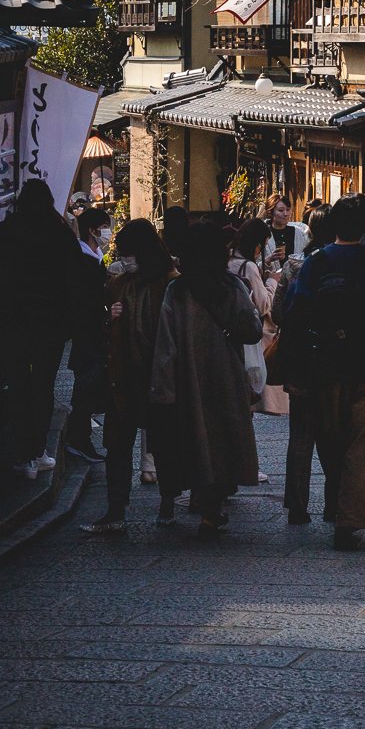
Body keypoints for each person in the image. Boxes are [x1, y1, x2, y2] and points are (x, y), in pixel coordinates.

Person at [282, 194, 365, 552]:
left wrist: (297, 368)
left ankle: (336, 506)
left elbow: (296, 313)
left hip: (326, 366)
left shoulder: (316, 263)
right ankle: (349, 519)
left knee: (332, 442)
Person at [149, 222, 262, 539]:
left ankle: (193, 499)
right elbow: (252, 329)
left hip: (187, 380)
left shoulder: (178, 291)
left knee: (194, 438)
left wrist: (162, 388)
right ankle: (212, 512)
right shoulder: (231, 286)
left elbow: (165, 344)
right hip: (225, 375)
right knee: (221, 439)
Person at [81, 220, 177, 535]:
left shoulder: (170, 283)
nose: (126, 260)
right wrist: (110, 319)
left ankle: (167, 503)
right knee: (118, 445)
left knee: (163, 443)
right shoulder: (119, 284)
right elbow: (101, 330)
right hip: (122, 375)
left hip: (158, 375)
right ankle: (115, 507)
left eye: (129, 253)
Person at [4, 180, 81, 480]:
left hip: (14, 323)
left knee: (18, 385)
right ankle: (39, 451)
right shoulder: (60, 233)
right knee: (42, 386)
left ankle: (25, 455)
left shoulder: (10, 232)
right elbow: (74, 281)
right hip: (51, 325)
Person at [271, 202, 335, 525]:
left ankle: (297, 505)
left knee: (300, 435)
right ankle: (335, 502)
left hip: (299, 357)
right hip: (334, 359)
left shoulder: (295, 266)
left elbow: (277, 312)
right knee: (334, 434)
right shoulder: (341, 264)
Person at [227, 218, 288, 417]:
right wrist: (272, 280)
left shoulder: (230, 260)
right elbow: (263, 305)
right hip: (252, 337)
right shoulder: (249, 267)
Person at [66, 205, 111, 463]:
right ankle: (78, 438)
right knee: (86, 385)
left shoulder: (95, 256)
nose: (108, 232)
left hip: (94, 332)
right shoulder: (82, 261)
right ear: (93, 230)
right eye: (105, 227)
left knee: (90, 386)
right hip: (88, 332)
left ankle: (81, 437)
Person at [259, 193, 309, 265]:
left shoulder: (299, 233)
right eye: (281, 210)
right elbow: (254, 263)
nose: (285, 214)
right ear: (271, 212)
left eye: (288, 210)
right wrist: (269, 259)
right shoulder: (262, 234)